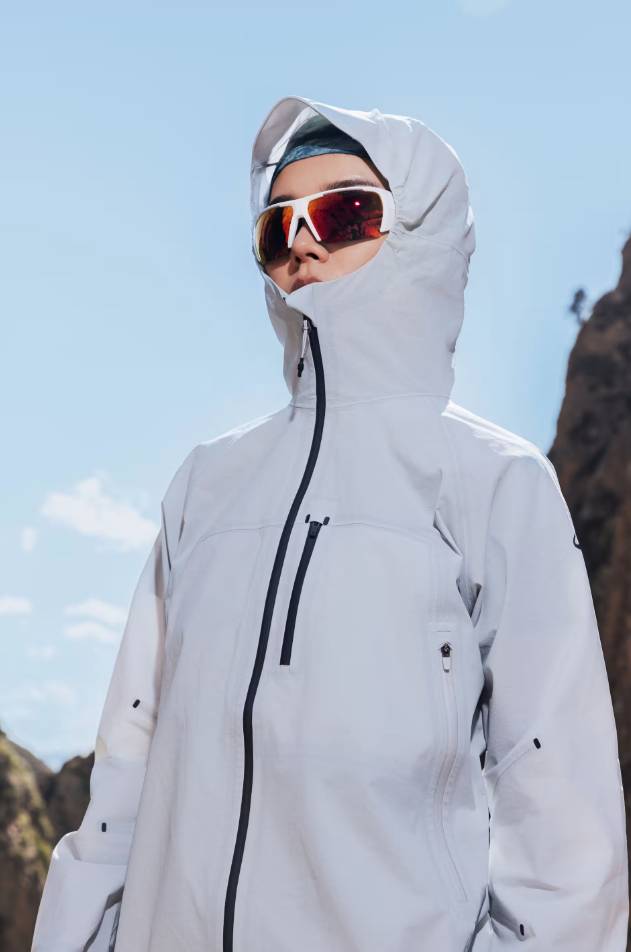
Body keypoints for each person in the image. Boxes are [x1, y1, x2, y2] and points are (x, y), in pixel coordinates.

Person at [31, 94, 628, 951]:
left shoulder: (493, 480)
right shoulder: (207, 480)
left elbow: (559, 813)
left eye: (344, 213)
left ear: (417, 232)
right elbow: (127, 769)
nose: (303, 242)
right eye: (277, 227)